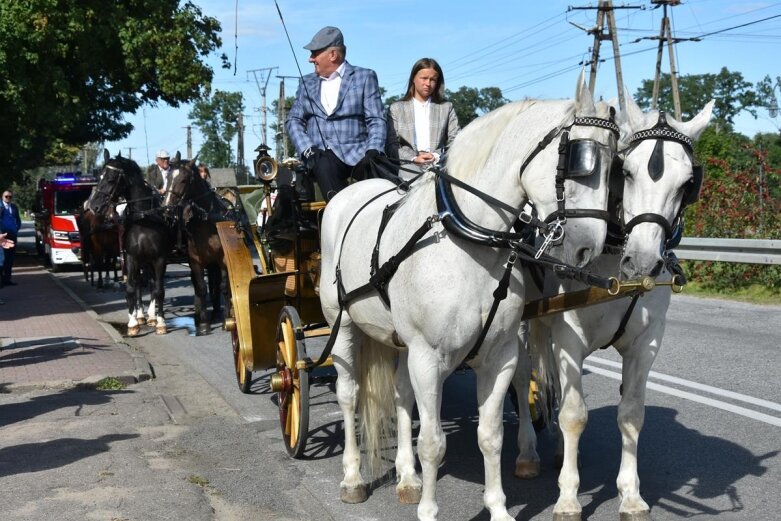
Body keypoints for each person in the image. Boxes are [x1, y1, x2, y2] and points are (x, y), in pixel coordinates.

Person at [286, 26, 386, 201]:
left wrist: (373, 149)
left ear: (332, 55)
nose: (311, 59)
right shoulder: (306, 83)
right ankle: (343, 218)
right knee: (323, 165)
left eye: (315, 53)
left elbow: (376, 120)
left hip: (359, 154)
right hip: (321, 158)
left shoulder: (365, 77)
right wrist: (308, 150)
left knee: (387, 183)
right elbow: (293, 120)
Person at [386, 58, 460, 181]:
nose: (428, 83)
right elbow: (391, 146)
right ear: (413, 78)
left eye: (433, 80)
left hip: (440, 165)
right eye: (424, 78)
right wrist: (414, 159)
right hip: (408, 166)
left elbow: (456, 140)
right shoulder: (396, 109)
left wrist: (436, 156)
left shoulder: (446, 107)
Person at [1, 190, 22, 286]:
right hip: (2, 237)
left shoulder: (14, 207)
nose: (8, 198)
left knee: (10, 258)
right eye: (6, 196)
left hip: (12, 236)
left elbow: (18, 220)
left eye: (10, 197)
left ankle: (7, 279)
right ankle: (1, 280)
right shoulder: (0, 207)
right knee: (2, 258)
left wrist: (16, 229)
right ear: (2, 197)